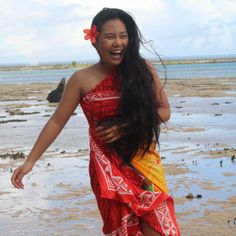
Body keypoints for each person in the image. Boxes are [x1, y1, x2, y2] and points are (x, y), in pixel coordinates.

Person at [11, 7, 180, 236]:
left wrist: (126, 125)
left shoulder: (143, 70)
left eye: (123, 36)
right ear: (94, 39)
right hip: (107, 170)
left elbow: (164, 111)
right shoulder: (81, 79)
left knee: (158, 226)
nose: (118, 43)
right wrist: (30, 161)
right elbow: (56, 122)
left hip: (144, 163)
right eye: (110, 37)